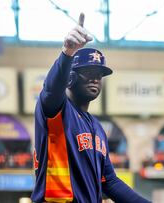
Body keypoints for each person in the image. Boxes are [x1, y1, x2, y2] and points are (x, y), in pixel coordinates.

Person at [31, 13, 151, 203]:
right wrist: (67, 53)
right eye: (88, 72)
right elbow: (51, 90)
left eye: (99, 74)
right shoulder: (56, 110)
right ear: (69, 78)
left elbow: (109, 181)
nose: (95, 78)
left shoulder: (96, 127)